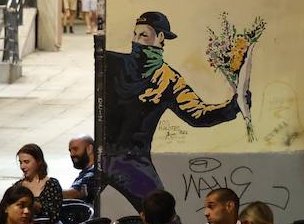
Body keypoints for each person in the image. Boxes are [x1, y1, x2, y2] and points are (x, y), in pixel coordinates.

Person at [102, 12, 250, 211]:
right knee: (77, 205)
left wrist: (233, 107)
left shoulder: (168, 79)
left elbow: (197, 114)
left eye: (143, 36)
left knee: (164, 220)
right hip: (101, 156)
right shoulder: (112, 63)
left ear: (161, 37)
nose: (137, 42)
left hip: (132, 162)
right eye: (135, 35)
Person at [16, 143, 63, 224]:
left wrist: (35, 206)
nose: (22, 166)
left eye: (26, 162)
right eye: (20, 162)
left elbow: (54, 216)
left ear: (38, 162)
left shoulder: (51, 184)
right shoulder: (18, 186)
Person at [62, 135, 98, 201]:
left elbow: (73, 193)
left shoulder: (94, 173)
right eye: (70, 151)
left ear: (89, 149)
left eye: (75, 149)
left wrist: (48, 191)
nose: (72, 154)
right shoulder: (85, 173)